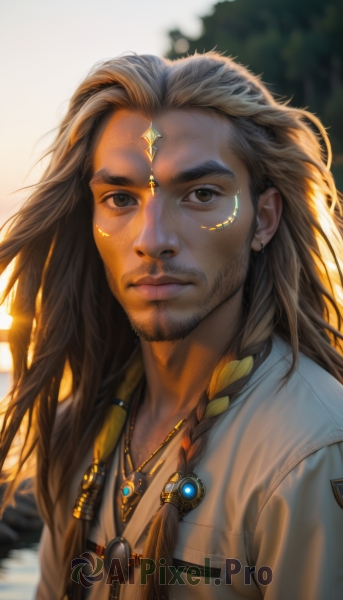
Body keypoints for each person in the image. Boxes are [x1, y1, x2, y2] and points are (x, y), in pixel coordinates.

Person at [0, 52, 343, 600]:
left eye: (202, 194)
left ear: (266, 219)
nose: (152, 237)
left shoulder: (312, 451)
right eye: (119, 198)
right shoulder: (78, 427)